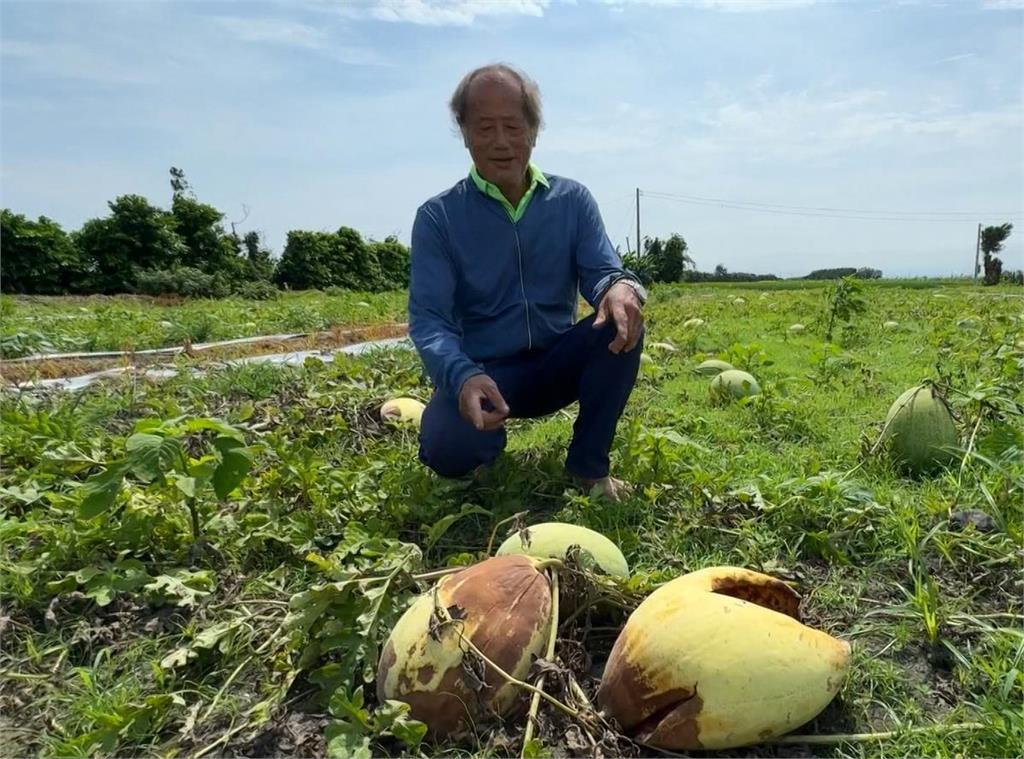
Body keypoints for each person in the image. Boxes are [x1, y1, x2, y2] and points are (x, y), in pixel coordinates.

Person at [408, 63, 646, 501]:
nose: (501, 142)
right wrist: (461, 378)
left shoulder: (571, 200)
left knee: (620, 319)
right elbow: (430, 320)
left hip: (557, 363)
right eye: (485, 128)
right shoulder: (439, 218)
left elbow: (603, 271)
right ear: (464, 132)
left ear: (533, 131)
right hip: (486, 374)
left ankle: (589, 468)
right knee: (447, 446)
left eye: (513, 126)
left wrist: (619, 287)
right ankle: (482, 449)